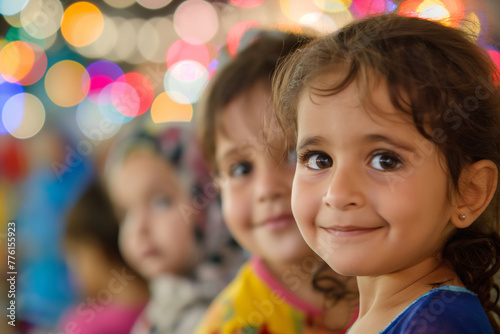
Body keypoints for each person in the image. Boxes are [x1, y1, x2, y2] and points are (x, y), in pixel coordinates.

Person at [273, 13, 500, 334]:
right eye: (320, 159)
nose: (337, 194)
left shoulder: (438, 326)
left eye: (385, 161)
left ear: (469, 191)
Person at [195, 29, 358, 334]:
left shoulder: (412, 275)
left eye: (296, 154)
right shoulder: (230, 326)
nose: (267, 189)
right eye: (242, 169)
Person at [105, 124, 243, 334]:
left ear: (207, 199)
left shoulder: (243, 305)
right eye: (125, 213)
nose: (138, 228)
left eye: (161, 202)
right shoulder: (157, 315)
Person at [59, 181, 149, 334]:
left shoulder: (82, 325)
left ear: (93, 253)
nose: (72, 274)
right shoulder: (165, 302)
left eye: (75, 257)